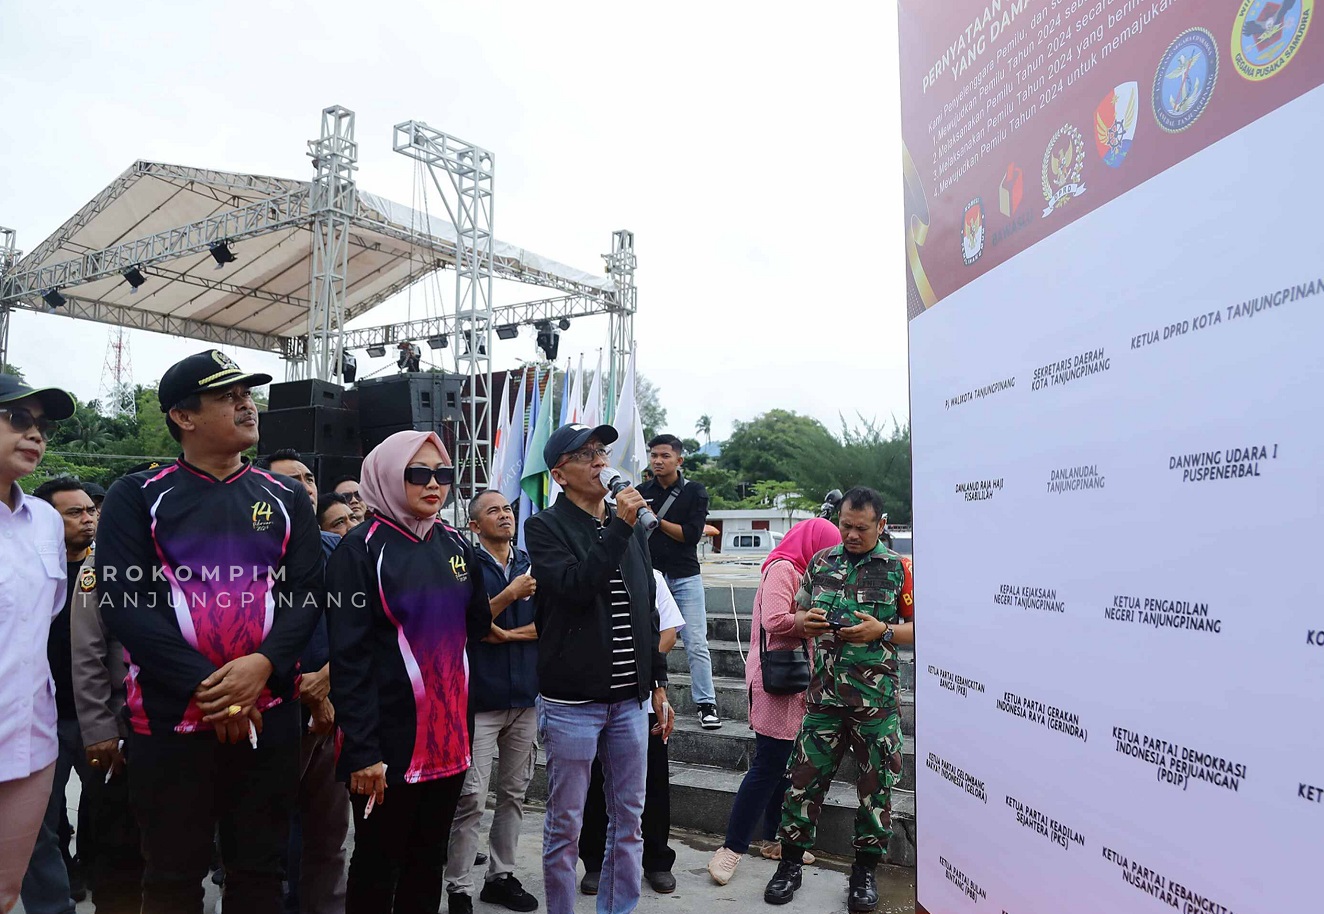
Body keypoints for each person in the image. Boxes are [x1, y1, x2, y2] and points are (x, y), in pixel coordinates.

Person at [96, 349, 324, 914]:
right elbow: (125, 604)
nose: (248, 405)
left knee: (260, 872)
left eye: (247, 394)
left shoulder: (286, 497)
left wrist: (262, 667)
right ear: (183, 416)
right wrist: (215, 690)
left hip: (270, 714)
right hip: (169, 719)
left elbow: (306, 594)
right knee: (171, 877)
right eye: (228, 396)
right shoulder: (137, 494)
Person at [326, 430, 491, 914]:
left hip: (450, 739)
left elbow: (477, 624)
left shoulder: (456, 543)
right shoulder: (360, 550)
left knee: (427, 859)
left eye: (443, 474)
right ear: (387, 477)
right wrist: (363, 752)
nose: (433, 484)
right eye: (418, 474)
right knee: (378, 864)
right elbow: (349, 660)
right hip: (386, 746)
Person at [522, 423, 674, 914]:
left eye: (602, 451)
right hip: (573, 703)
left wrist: (657, 682)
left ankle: (618, 908)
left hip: (630, 701)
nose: (600, 460)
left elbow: (647, 606)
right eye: (585, 454)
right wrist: (621, 529)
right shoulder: (544, 527)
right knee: (566, 824)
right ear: (559, 473)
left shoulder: (628, 526)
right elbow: (574, 587)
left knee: (629, 820)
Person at [762, 487, 914, 912]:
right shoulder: (821, 562)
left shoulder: (899, 568)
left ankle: (864, 872)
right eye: (845, 525)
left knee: (875, 789)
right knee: (802, 783)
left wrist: (882, 631)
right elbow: (798, 613)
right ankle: (790, 865)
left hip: (874, 704)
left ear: (881, 525)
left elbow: (921, 628)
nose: (851, 535)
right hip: (823, 699)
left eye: (861, 528)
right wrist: (804, 622)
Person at [706, 518, 841, 886]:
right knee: (768, 764)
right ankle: (731, 848)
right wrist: (812, 621)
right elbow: (775, 619)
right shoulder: (783, 568)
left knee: (784, 764)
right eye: (826, 552)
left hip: (795, 680)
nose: (829, 560)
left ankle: (773, 840)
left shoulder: (807, 574)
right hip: (775, 680)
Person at [71, 466, 164, 914]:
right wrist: (99, 729)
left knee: (172, 845)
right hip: (122, 725)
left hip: (180, 723)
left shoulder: (192, 559)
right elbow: (87, 653)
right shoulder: (100, 565)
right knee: (119, 842)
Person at [0, 374, 76, 914]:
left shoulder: (46, 521)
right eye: (17, 419)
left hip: (31, 739)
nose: (35, 435)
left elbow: (40, 622)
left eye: (42, 427)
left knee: (6, 893)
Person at [445, 490, 540, 914]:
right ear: (474, 525)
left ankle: (500, 876)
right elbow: (465, 625)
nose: (504, 516)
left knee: (514, 793)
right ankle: (458, 887)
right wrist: (509, 596)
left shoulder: (531, 563)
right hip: (479, 700)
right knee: (470, 798)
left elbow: (547, 624)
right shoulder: (463, 564)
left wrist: (503, 633)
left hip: (525, 697)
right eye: (493, 511)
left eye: (507, 509)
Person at [262, 450, 348, 914]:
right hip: (265, 707)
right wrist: (300, 685)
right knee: (261, 832)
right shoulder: (246, 553)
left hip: (332, 708)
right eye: (290, 480)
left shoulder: (341, 550)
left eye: (309, 478)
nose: (305, 487)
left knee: (327, 835)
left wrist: (327, 680)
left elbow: (365, 626)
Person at [579, 570, 683, 896]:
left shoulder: (650, 576)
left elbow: (668, 632)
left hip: (641, 699)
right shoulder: (584, 573)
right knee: (595, 782)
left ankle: (656, 860)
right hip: (592, 699)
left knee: (652, 783)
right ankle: (595, 863)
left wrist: (645, 669)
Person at [22, 478, 100, 914]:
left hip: (97, 717)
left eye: (90, 510)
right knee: (39, 824)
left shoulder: (113, 571)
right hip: (39, 718)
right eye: (74, 512)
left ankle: (91, 872)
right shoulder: (26, 573)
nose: (87, 519)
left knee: (106, 813)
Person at [637, 434, 719, 729]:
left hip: (685, 575)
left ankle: (706, 704)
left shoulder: (695, 491)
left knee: (696, 641)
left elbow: (691, 535)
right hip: (650, 576)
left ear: (679, 460)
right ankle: (646, 699)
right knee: (645, 640)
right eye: (654, 455)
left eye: (665, 456)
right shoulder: (640, 492)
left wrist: (655, 520)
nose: (658, 461)